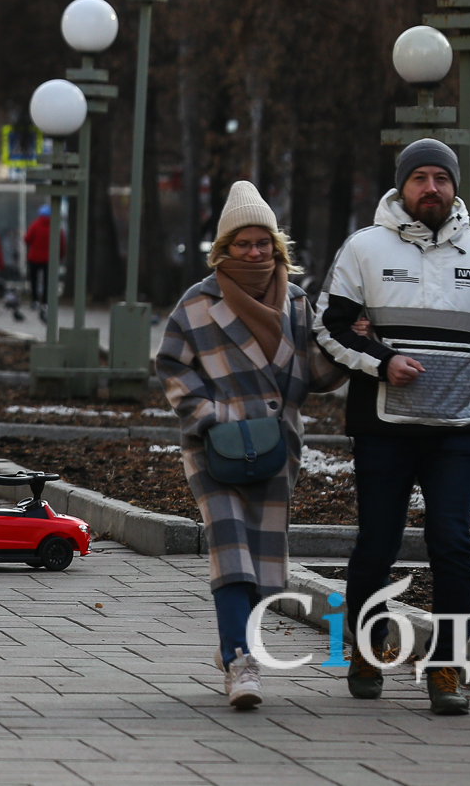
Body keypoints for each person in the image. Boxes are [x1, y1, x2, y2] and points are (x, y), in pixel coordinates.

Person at [315, 139, 470, 715]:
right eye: (420, 178)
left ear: (455, 186)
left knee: (453, 544)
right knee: (376, 546)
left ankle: (445, 669)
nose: (431, 188)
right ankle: (367, 651)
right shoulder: (363, 249)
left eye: (442, 177)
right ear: (402, 186)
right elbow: (330, 329)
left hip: (455, 432)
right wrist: (382, 361)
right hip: (382, 429)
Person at [156, 182, 347, 710]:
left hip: (275, 449)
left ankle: (230, 640)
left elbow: (315, 373)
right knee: (230, 549)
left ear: (276, 245)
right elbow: (172, 365)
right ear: (224, 248)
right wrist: (208, 416)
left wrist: (351, 343)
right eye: (243, 243)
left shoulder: (300, 304)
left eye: (263, 242)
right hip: (213, 445)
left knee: (264, 563)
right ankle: (241, 660)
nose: (255, 252)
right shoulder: (198, 303)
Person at [22, 204, 65, 314]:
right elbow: (62, 243)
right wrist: (60, 256)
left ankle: (34, 301)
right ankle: (46, 302)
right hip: (49, 259)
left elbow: (27, 239)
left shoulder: (35, 225)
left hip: (34, 257)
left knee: (34, 280)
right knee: (47, 281)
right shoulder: (56, 226)